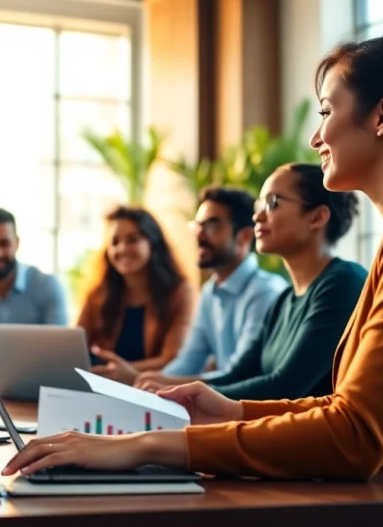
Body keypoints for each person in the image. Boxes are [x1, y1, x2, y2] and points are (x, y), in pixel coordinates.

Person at [2, 4, 383, 516]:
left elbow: (356, 436)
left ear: (382, 116)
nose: (316, 137)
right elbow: (354, 411)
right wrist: (233, 410)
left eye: (326, 111)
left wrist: (148, 445)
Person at [137, 164, 366, 399]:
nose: (257, 216)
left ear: (317, 217)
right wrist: (167, 385)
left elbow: (285, 386)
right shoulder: (283, 301)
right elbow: (240, 375)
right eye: (259, 206)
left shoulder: (342, 283)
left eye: (272, 203)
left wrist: (191, 396)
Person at [136, 187, 287, 383]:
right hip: (221, 402)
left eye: (212, 226)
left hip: (250, 408)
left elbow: (242, 374)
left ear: (245, 236)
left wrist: (164, 383)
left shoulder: (265, 292)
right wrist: (150, 381)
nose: (199, 235)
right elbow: (190, 360)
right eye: (198, 226)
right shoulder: (209, 292)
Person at [74, 206, 195, 385]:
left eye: (132, 240)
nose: (122, 249)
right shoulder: (98, 294)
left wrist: (125, 373)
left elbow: (172, 359)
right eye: (114, 242)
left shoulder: (180, 292)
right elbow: (76, 348)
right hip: (100, 389)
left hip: (152, 392)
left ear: (153, 243)